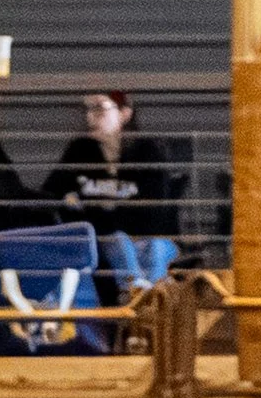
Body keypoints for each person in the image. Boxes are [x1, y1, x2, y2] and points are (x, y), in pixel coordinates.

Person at [39, 91, 184, 297]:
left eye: (99, 108)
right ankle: (138, 297)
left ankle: (148, 306)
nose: (90, 117)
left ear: (124, 114)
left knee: (155, 248)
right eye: (87, 110)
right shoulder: (79, 151)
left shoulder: (148, 151)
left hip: (148, 238)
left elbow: (154, 212)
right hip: (108, 241)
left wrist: (95, 210)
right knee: (117, 240)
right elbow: (53, 193)